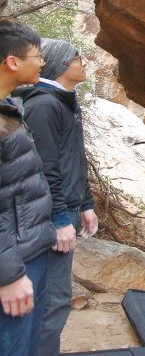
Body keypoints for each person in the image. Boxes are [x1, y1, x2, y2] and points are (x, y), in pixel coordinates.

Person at [14, 38, 98, 356]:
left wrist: (86, 205)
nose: (83, 61)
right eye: (78, 56)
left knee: (53, 298)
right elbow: (44, 168)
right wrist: (60, 218)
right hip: (50, 217)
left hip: (66, 210)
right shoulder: (44, 105)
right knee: (52, 300)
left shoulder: (62, 101)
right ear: (63, 63)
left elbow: (73, 160)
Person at [0, 20, 57, 356]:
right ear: (12, 62)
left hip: (28, 249)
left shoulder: (10, 107)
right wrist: (8, 275)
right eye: (37, 55)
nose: (42, 63)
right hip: (14, 261)